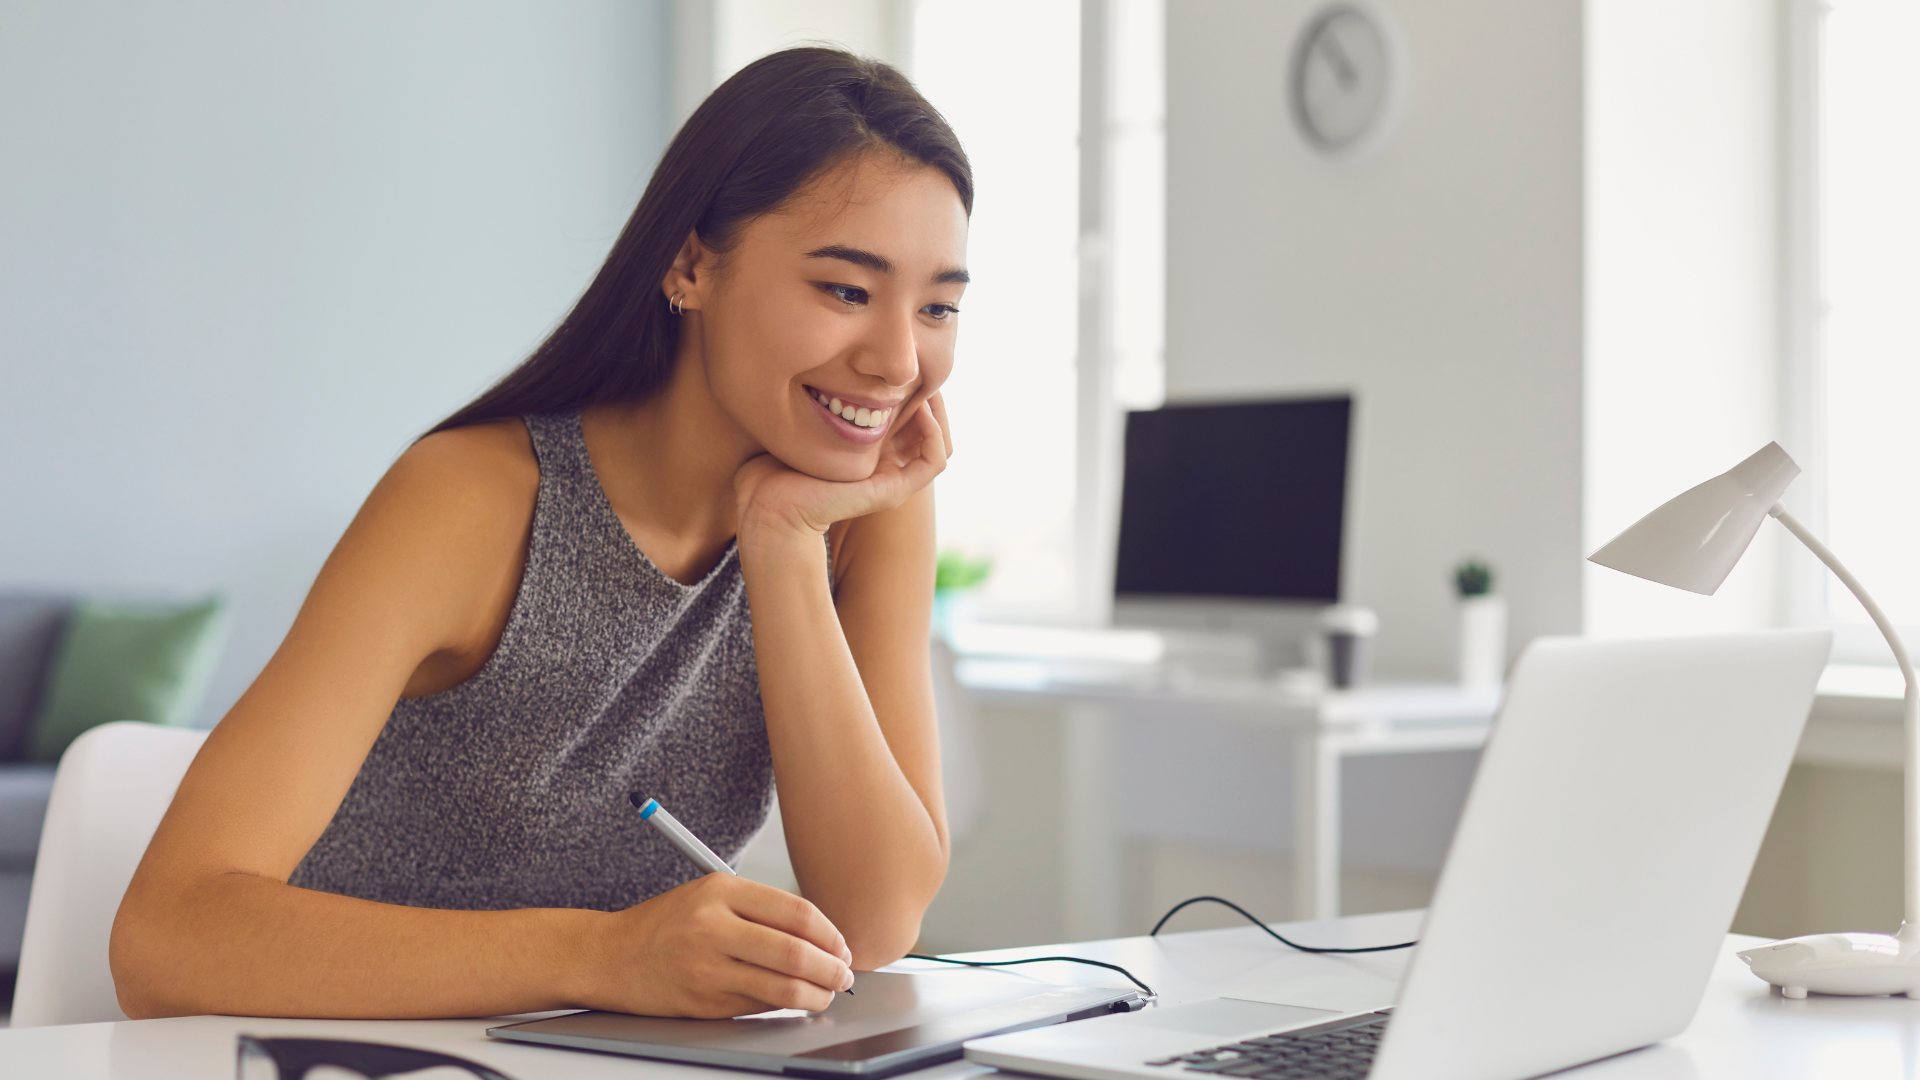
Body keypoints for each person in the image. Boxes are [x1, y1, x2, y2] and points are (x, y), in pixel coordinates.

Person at [111, 47, 970, 1021]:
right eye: (847, 291)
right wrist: (603, 954)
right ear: (691, 265)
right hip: (336, 1050)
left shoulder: (856, 510)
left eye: (938, 307)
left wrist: (781, 546)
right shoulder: (471, 500)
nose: (899, 361)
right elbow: (166, 936)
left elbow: (874, 920)